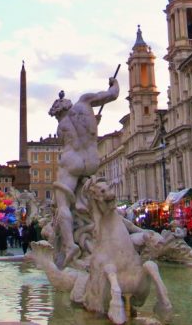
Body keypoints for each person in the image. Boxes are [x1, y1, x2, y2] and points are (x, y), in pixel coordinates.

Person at [48, 77, 119, 268]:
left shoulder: (61, 126)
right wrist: (114, 82)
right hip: (92, 160)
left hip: (73, 161)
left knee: (62, 204)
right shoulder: (85, 102)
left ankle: (70, 245)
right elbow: (113, 95)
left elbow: (70, 143)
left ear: (57, 112)